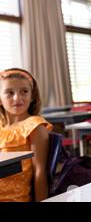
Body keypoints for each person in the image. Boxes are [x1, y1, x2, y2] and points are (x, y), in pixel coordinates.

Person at [0, 68, 52, 202]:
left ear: (32, 96)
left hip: (14, 198)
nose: (17, 98)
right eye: (9, 93)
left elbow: (40, 172)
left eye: (24, 92)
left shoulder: (35, 126)